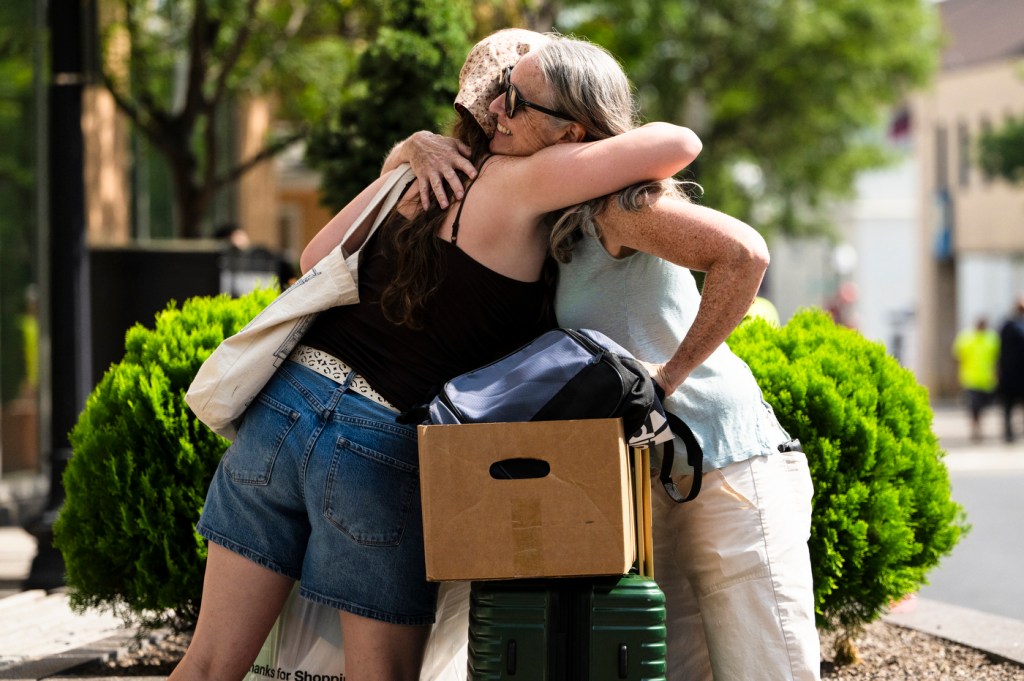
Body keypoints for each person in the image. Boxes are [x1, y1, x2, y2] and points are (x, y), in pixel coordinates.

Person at [170, 31, 701, 681]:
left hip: (281, 409)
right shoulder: (523, 179)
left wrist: (405, 151)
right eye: (505, 97)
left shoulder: (416, 170)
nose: (504, 111)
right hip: (376, 441)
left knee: (208, 665)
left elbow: (315, 260)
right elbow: (677, 144)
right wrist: (583, 129)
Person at [391, 30, 820, 681]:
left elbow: (744, 254)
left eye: (513, 99)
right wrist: (413, 145)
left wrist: (669, 376)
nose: (495, 111)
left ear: (572, 131)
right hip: (651, 479)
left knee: (769, 669)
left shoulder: (618, 207)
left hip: (729, 466)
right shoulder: (548, 215)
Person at [952, 316, 999, 442]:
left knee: (983, 406)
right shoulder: (966, 338)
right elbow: (957, 355)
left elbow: (997, 358)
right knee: (974, 406)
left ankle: (978, 425)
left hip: (986, 380)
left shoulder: (992, 338)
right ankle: (976, 427)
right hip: (970, 378)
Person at [998, 295, 1024, 443]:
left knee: (1011, 406)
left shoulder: (1008, 325)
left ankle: (1010, 432)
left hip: (1014, 374)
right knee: (1008, 406)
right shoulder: (1009, 325)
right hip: (1010, 374)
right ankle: (1008, 432)